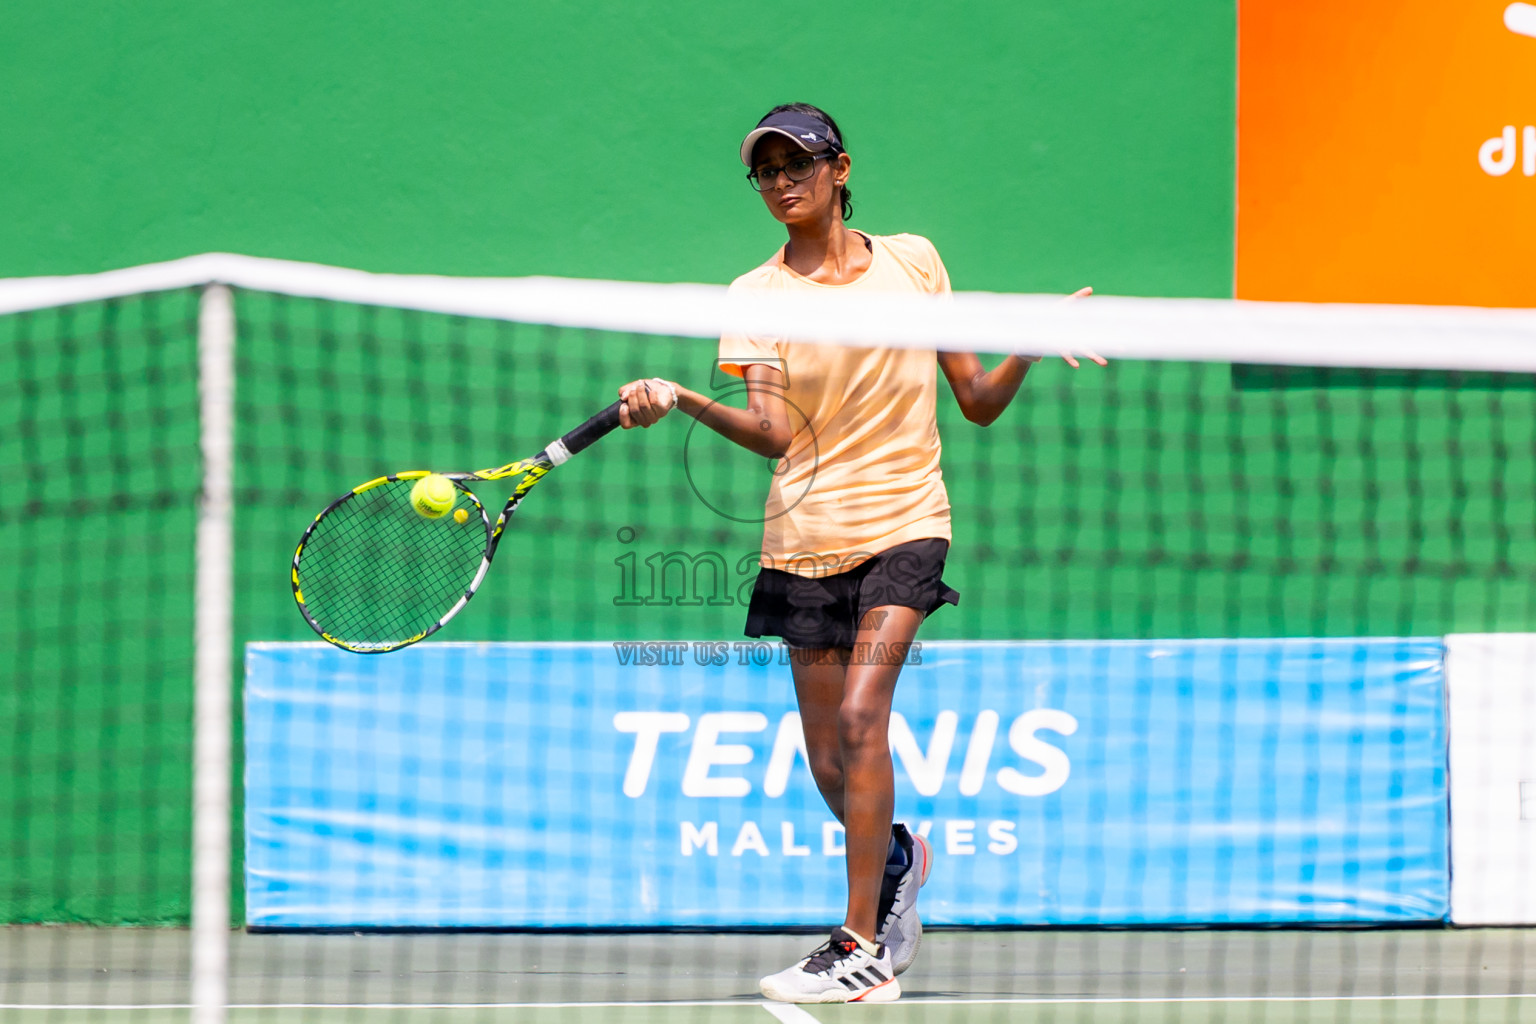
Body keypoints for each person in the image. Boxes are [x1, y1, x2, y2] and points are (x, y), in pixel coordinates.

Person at [616, 102, 1098, 1004]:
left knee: (861, 718)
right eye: (764, 171)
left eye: (796, 164)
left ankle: (858, 940)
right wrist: (683, 398)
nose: (780, 182)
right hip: (801, 537)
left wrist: (1025, 349)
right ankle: (901, 857)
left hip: (908, 522)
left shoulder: (915, 262)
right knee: (830, 763)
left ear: (840, 169)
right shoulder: (755, 296)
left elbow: (977, 401)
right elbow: (767, 433)